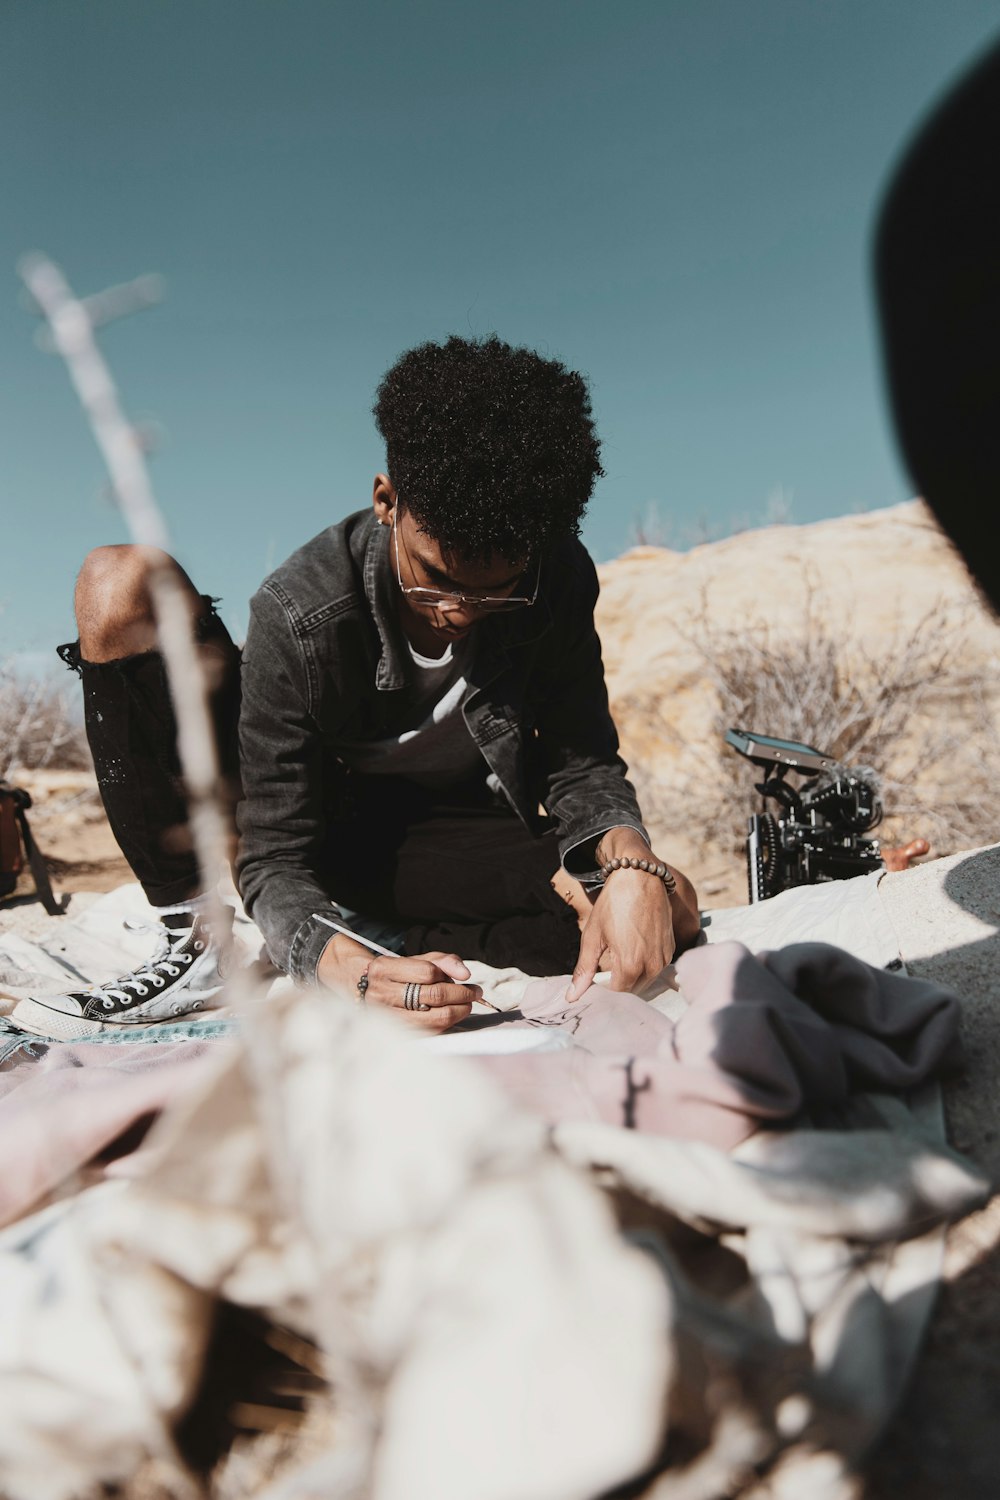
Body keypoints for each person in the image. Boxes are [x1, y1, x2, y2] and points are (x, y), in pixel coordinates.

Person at [29, 335, 699, 1035]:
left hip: (444, 833)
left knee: (662, 906)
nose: (459, 613)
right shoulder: (299, 611)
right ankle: (200, 938)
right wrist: (339, 966)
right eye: (434, 579)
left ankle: (397, 933)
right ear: (387, 501)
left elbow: (581, 758)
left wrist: (629, 862)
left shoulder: (556, 573)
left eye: (495, 593)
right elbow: (275, 849)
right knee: (118, 578)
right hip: (314, 816)